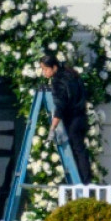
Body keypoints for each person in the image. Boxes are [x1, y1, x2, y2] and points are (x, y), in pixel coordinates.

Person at [40, 53, 91, 185]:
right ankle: (86, 181)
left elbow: (60, 107)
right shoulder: (72, 75)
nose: (43, 72)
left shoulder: (58, 81)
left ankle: (83, 183)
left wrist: (52, 128)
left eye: (45, 69)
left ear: (54, 67)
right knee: (81, 150)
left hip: (73, 120)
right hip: (82, 117)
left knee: (77, 152)